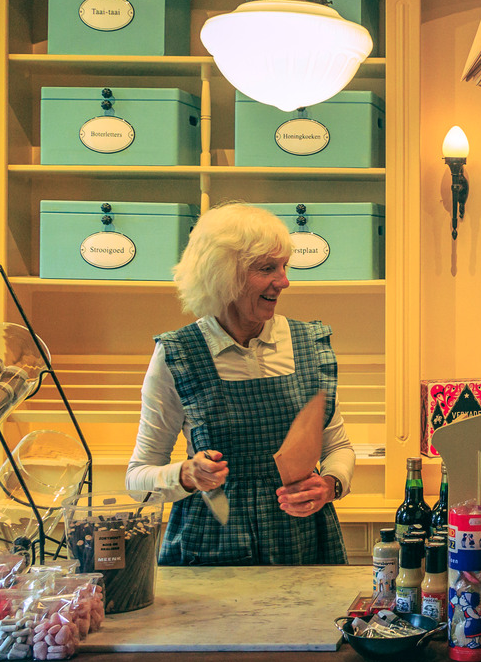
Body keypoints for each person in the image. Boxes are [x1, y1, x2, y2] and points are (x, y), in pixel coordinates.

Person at [126, 202, 352, 565]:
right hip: (212, 546)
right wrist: (185, 474)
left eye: (284, 266)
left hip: (303, 540)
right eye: (266, 268)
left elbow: (338, 447)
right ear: (222, 275)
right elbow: (137, 480)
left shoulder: (308, 344)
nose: (284, 281)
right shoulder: (178, 355)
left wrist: (329, 485)